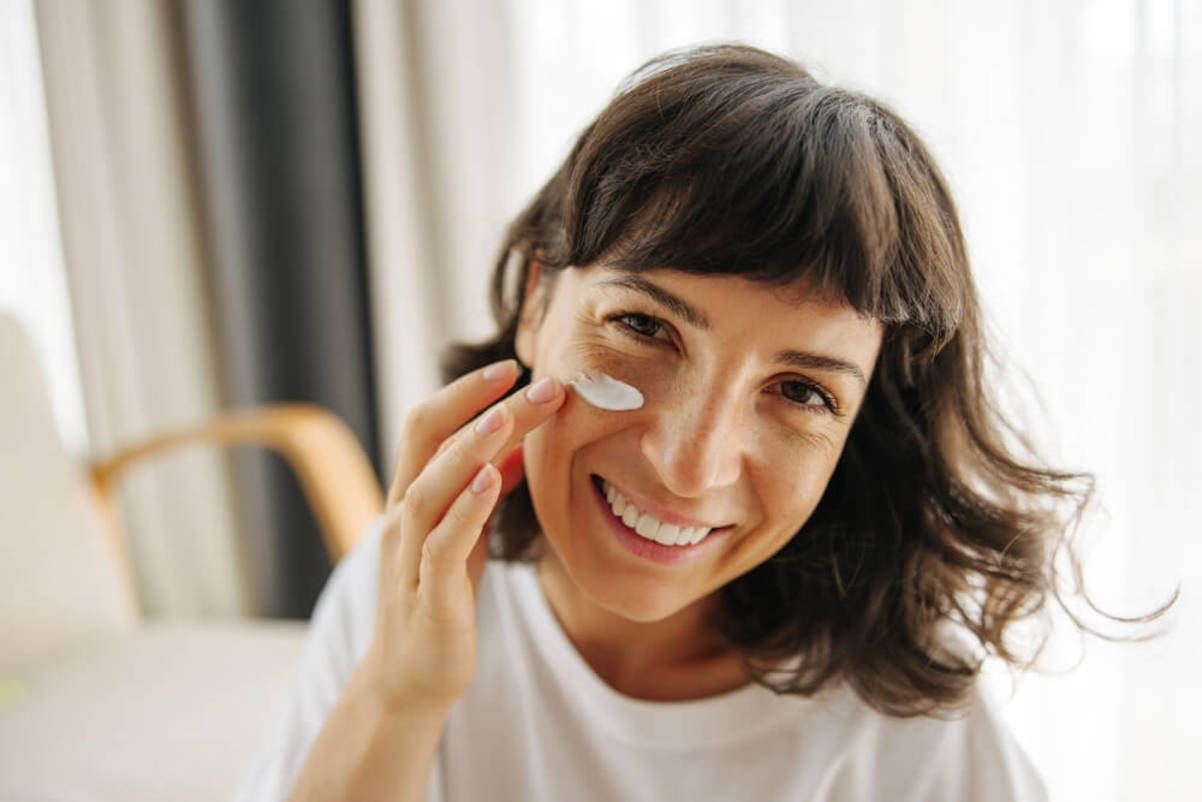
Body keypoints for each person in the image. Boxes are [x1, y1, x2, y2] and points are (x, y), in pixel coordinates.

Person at [234, 44, 1159, 801]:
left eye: (802, 392)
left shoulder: (898, 721)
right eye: (642, 327)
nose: (689, 465)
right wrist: (402, 694)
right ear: (536, 302)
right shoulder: (410, 593)